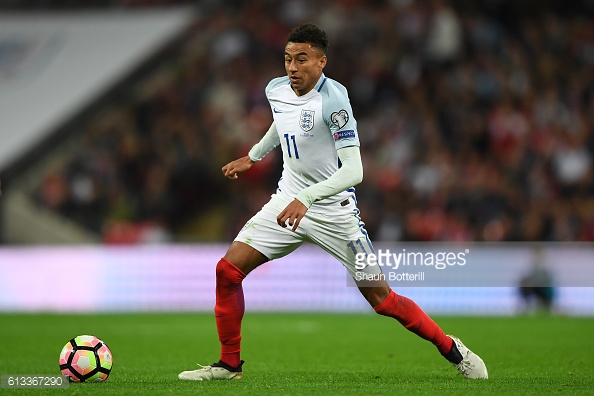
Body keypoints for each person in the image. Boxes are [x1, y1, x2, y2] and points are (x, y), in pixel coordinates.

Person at [179, 23, 487, 381]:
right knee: (227, 271)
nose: (292, 67)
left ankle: (451, 348)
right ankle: (229, 366)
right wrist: (254, 155)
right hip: (287, 200)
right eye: (288, 59)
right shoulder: (276, 89)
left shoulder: (334, 100)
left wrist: (308, 197)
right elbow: (283, 123)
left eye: (302, 59)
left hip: (333, 212)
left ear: (322, 62)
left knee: (382, 300)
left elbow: (354, 171)